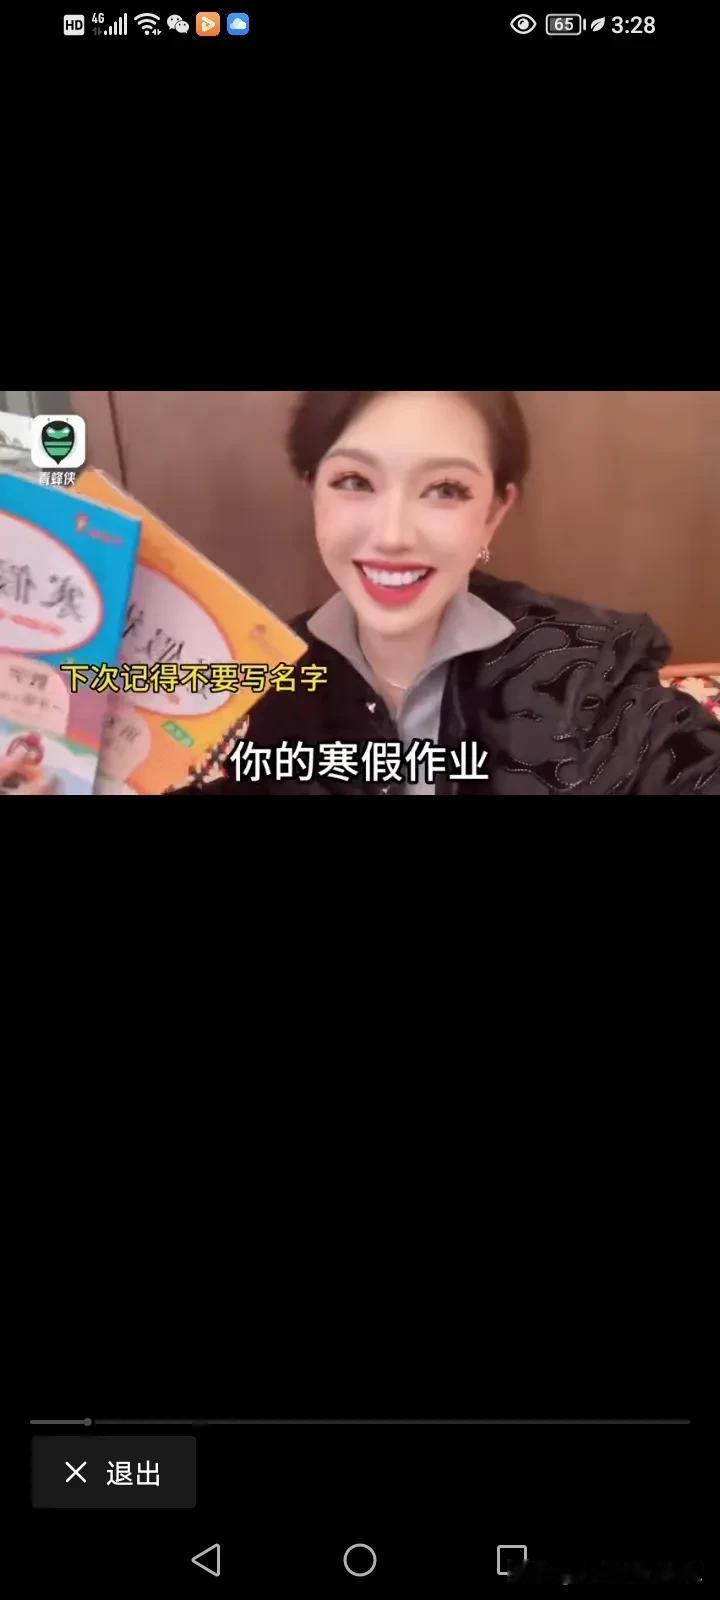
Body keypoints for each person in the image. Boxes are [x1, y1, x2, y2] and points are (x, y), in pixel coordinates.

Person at [173, 389, 720, 796]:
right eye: (354, 482)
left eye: (445, 489)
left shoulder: (585, 674)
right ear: (313, 492)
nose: (392, 535)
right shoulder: (279, 671)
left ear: (493, 513)